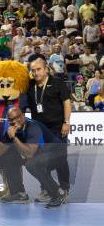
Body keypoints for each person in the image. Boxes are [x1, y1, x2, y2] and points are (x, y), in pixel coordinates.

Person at [0, 108, 63, 208]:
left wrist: (14, 138)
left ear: (22, 116)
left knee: (32, 164)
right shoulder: (12, 129)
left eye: (16, 118)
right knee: (7, 155)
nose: (14, 121)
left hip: (56, 153)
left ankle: (57, 194)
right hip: (39, 152)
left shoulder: (32, 126)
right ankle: (19, 194)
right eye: (11, 119)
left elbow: (29, 154)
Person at [27, 58, 71, 203]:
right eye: (33, 70)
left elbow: (66, 102)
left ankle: (64, 189)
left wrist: (66, 122)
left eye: (38, 69)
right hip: (39, 131)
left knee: (60, 160)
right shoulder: (30, 85)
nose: (35, 72)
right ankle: (47, 189)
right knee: (40, 160)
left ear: (46, 69)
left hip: (58, 128)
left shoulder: (57, 82)